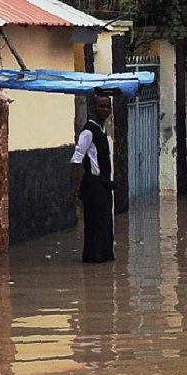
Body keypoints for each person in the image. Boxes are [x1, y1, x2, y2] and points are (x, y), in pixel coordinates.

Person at [73, 93, 116, 263]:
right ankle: (93, 259)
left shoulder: (102, 129)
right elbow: (76, 159)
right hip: (93, 183)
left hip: (104, 184)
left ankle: (104, 258)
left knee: (105, 222)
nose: (105, 109)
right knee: (96, 222)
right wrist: (74, 189)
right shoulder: (88, 132)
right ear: (93, 108)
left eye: (107, 106)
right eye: (102, 106)